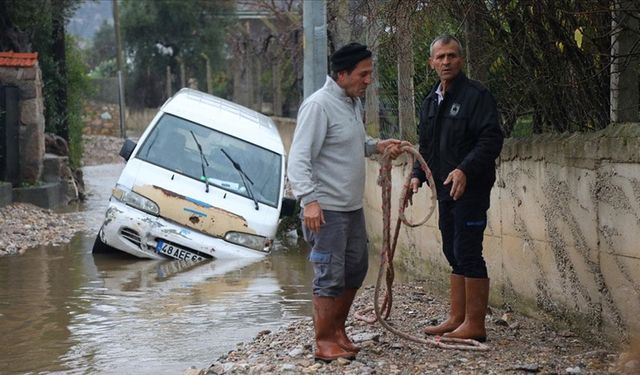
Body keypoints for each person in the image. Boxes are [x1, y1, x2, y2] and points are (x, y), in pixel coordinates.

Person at [287, 42, 401, 361]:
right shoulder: (318, 106)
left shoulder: (351, 102)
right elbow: (298, 159)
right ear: (342, 75)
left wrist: (376, 146)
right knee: (329, 273)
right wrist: (309, 200)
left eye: (370, 74)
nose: (368, 81)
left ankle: (338, 331)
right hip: (326, 210)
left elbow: (350, 141)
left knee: (356, 268)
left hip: (351, 208)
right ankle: (324, 341)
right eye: (363, 75)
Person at [410, 35, 504, 342]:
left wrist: (465, 169)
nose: (446, 62)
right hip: (444, 189)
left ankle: (475, 325)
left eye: (452, 56)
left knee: (468, 250)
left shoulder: (477, 95)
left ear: (460, 60)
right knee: (451, 248)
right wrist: (416, 175)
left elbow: (491, 140)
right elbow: (426, 145)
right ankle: (457, 317)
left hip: (472, 188)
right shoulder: (429, 100)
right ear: (431, 63)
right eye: (441, 57)